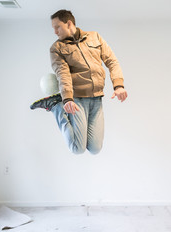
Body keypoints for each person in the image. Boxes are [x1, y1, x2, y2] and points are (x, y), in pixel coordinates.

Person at [30, 9, 128, 154]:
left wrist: (118, 85)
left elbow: (112, 61)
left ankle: (59, 104)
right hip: (76, 101)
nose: (55, 32)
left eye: (57, 27)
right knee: (77, 149)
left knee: (95, 149)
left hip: (97, 99)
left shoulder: (94, 37)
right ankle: (56, 106)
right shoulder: (57, 48)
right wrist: (68, 98)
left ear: (69, 23)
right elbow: (63, 74)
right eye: (53, 28)